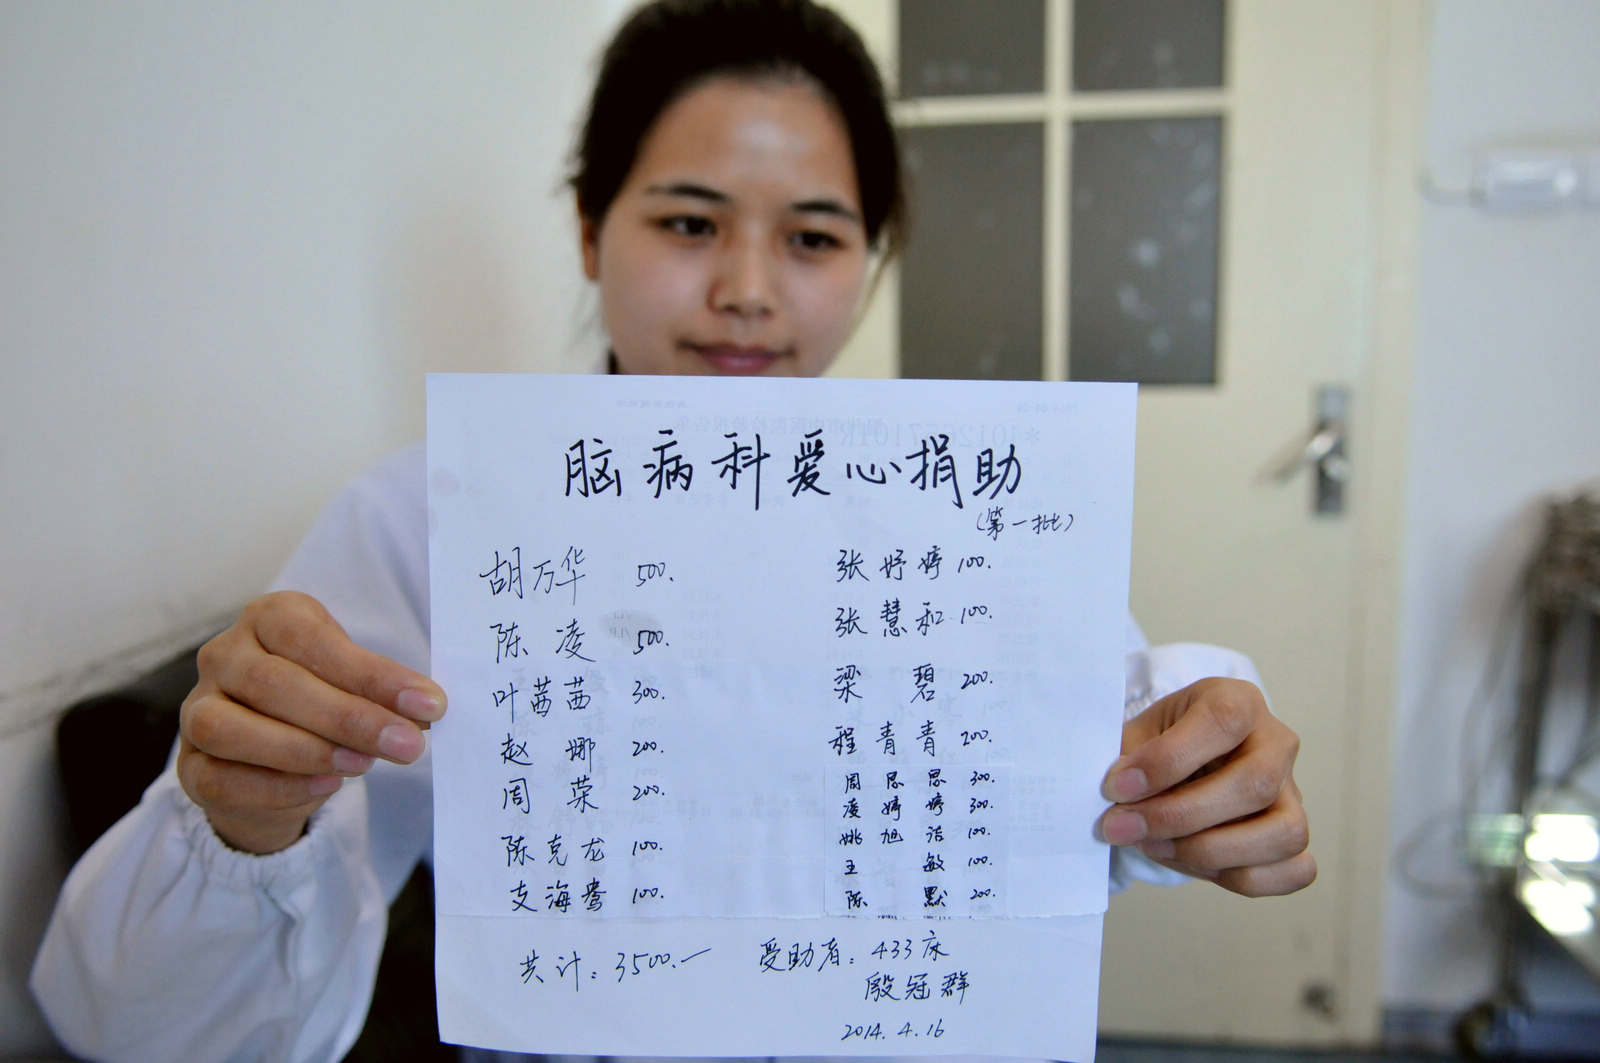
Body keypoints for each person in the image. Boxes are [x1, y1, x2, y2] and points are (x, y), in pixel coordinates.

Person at [31, 1, 1314, 1060]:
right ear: (592, 231)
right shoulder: (423, 522)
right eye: (689, 222)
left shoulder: (957, 511)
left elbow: (1108, 765)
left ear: (867, 261)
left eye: (813, 236)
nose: (747, 290)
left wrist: (1200, 776)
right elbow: (147, 1032)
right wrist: (242, 817)